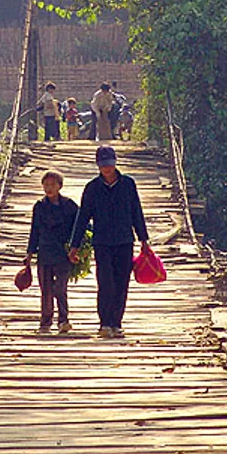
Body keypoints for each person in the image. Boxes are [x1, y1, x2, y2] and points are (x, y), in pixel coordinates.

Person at [69, 145, 148, 339]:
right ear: (98, 165)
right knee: (105, 282)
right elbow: (83, 217)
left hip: (124, 240)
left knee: (122, 282)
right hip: (102, 241)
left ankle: (116, 322)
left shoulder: (128, 184)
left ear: (115, 163)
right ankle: (105, 322)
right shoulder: (92, 188)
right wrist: (75, 245)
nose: (107, 169)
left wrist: (143, 239)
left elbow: (136, 211)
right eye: (103, 165)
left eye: (110, 164)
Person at [25, 170, 78, 333]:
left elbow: (80, 226)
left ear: (60, 186)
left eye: (53, 185)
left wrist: (78, 248)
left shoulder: (69, 206)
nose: (49, 188)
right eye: (46, 185)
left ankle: (63, 319)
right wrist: (30, 252)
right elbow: (35, 230)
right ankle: (45, 321)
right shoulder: (39, 207)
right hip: (45, 252)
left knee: (60, 288)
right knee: (46, 288)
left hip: (63, 253)